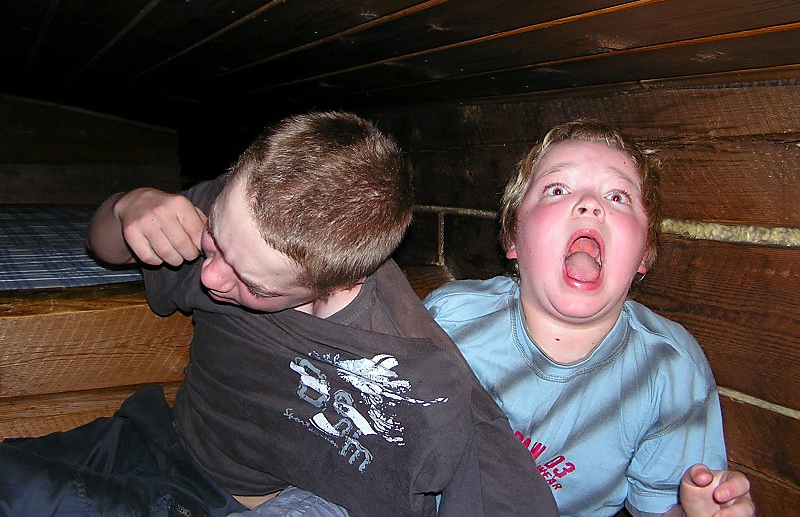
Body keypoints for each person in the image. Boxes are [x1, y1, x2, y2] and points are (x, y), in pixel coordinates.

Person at [0, 111, 558, 517]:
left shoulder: (404, 362)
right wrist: (130, 206)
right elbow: (104, 247)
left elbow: (498, 475)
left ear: (342, 282)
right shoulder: (241, 213)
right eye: (216, 241)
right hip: (145, 436)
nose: (211, 277)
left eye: (251, 284)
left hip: (206, 501)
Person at [424, 120, 756, 517]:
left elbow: (665, 507)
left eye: (617, 196)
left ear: (644, 254)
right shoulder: (450, 320)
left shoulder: (669, 368)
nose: (589, 204)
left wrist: (694, 512)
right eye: (557, 189)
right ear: (513, 237)